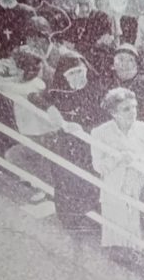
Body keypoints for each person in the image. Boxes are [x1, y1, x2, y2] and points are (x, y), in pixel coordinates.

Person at [90, 88, 144, 255]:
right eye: (126, 109)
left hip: (143, 184)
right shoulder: (99, 133)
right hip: (116, 184)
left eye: (134, 107)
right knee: (120, 232)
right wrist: (117, 159)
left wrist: (134, 158)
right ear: (113, 112)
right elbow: (97, 165)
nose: (132, 112)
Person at [37, 52, 106, 231]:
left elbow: (106, 122)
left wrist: (85, 130)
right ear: (64, 77)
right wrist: (51, 108)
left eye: (79, 72)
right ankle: (70, 221)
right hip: (66, 148)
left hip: (90, 146)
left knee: (89, 184)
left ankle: (92, 221)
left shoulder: (98, 91)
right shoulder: (59, 92)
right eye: (71, 74)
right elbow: (34, 96)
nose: (77, 77)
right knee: (65, 181)